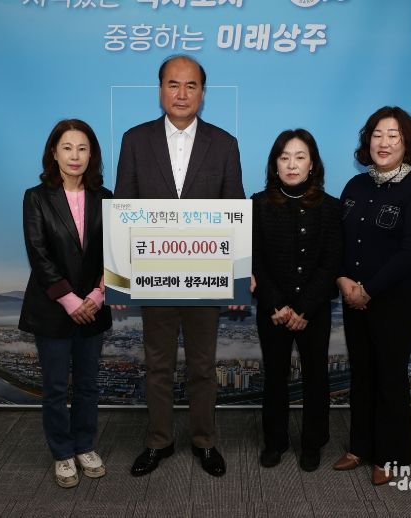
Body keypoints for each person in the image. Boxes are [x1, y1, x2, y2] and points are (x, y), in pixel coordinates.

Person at [114, 55, 245, 477]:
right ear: (160, 90)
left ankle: (205, 441)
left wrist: (238, 278)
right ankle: (159, 441)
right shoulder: (135, 140)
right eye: (173, 84)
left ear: (203, 93)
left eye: (191, 85)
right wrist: (118, 278)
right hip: (154, 277)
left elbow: (235, 210)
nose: (182, 93)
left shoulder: (224, 144)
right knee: (158, 366)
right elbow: (123, 207)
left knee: (203, 366)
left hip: (206, 278)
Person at [332, 106, 411, 485]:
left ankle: (391, 457)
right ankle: (359, 447)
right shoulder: (354, 186)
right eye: (377, 134)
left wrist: (368, 290)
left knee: (389, 377)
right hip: (352, 298)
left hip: (394, 301)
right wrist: (343, 280)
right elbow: (338, 240)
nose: (384, 142)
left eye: (394, 136)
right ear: (368, 141)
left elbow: (410, 255)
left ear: (407, 143)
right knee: (361, 373)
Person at [19, 119, 112, 488]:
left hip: (94, 306)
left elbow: (116, 253)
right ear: (54, 153)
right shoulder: (36, 197)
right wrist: (71, 300)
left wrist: (97, 296)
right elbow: (38, 255)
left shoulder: (107, 198)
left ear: (92, 155)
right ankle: (61, 452)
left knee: (88, 384)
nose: (75, 156)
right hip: (53, 309)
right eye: (68, 147)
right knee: (56, 387)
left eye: (83, 148)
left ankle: (85, 445)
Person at [252, 129, 342, 472]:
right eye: (284, 157)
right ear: (275, 164)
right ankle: (274, 442)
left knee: (316, 377)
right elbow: (254, 260)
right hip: (272, 309)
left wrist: (304, 308)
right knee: (275, 377)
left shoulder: (330, 207)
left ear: (312, 164)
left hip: (313, 310)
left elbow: (331, 263)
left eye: (300, 157)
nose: (292, 164)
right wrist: (276, 304)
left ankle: (313, 443)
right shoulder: (258, 204)